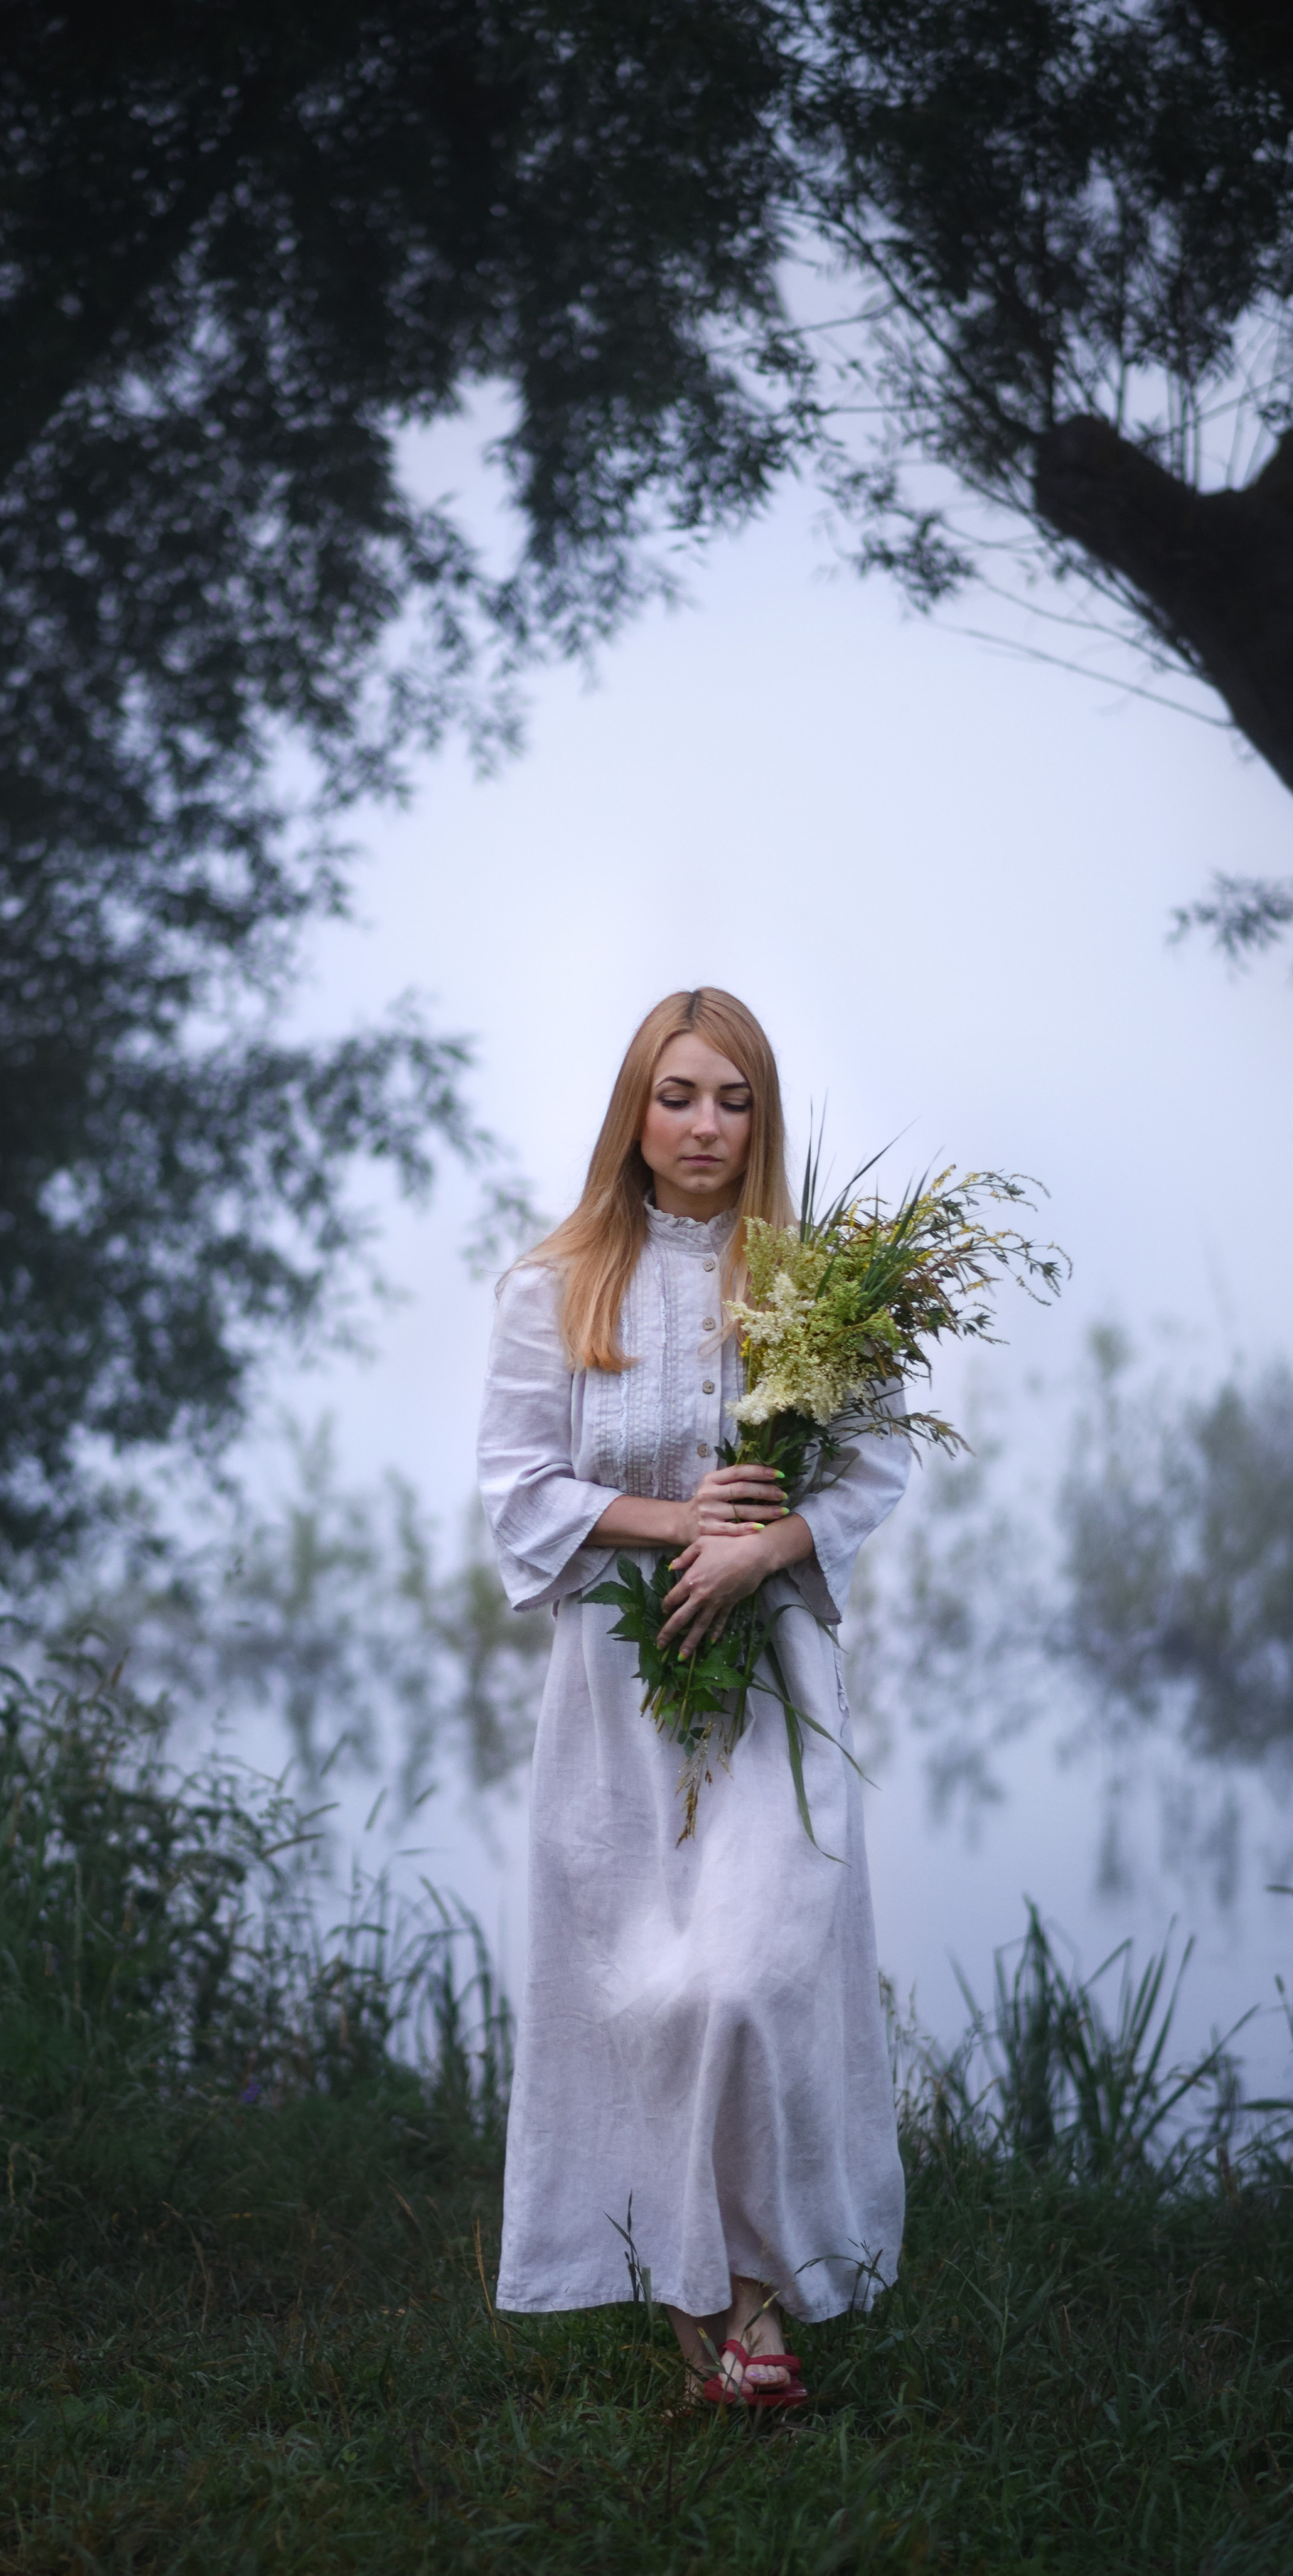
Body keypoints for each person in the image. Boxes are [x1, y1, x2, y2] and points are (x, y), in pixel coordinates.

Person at [477, 988, 907, 2405]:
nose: (705, 1125)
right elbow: (516, 1492)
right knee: (651, 1994)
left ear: (760, 1118)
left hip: (772, 1683)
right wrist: (680, 1529)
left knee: (752, 1979)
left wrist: (763, 1550)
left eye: (732, 1099)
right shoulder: (555, 1286)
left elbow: (875, 1471)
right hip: (618, 1691)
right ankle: (721, 2325)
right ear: (635, 1111)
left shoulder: (813, 1289)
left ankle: (762, 2289)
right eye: (677, 1097)